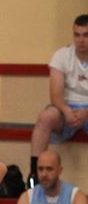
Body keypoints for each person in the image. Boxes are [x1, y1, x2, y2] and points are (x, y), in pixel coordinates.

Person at [29, 14, 88, 186]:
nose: (81, 40)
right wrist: (67, 111)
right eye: (77, 35)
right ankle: (34, 175)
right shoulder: (61, 55)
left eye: (86, 35)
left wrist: (85, 112)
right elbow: (55, 94)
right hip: (66, 108)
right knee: (45, 117)